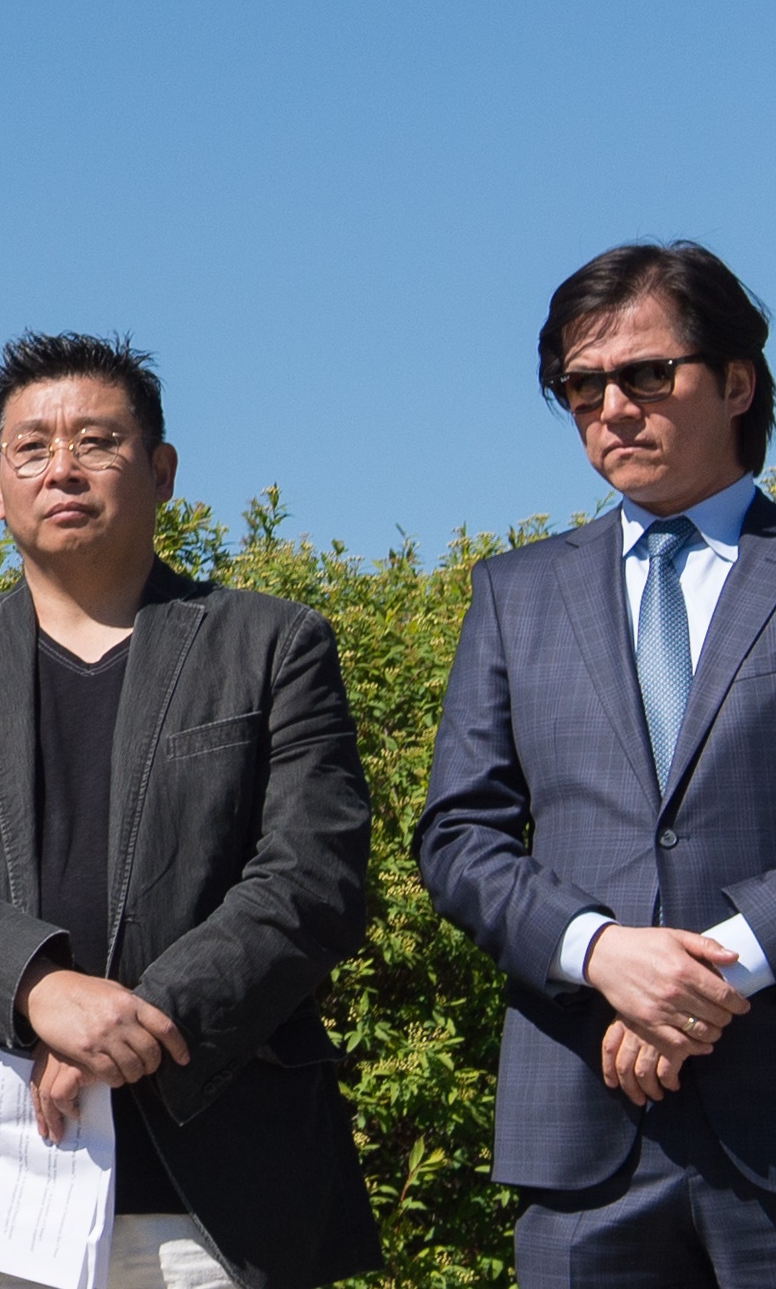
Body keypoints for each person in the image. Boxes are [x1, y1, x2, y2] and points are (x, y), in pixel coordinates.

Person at [0, 332, 375, 1289]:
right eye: (31, 448)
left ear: (160, 472)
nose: (62, 469)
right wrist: (38, 989)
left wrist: (139, 1022)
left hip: (216, 1195)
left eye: (95, 441)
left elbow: (312, 878)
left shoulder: (269, 645)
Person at [422, 240, 776, 1283]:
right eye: (582, 385)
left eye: (647, 373)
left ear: (737, 381)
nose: (612, 407)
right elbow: (457, 835)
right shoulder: (515, 593)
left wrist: (712, 973)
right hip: (583, 1125)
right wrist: (601, 951)